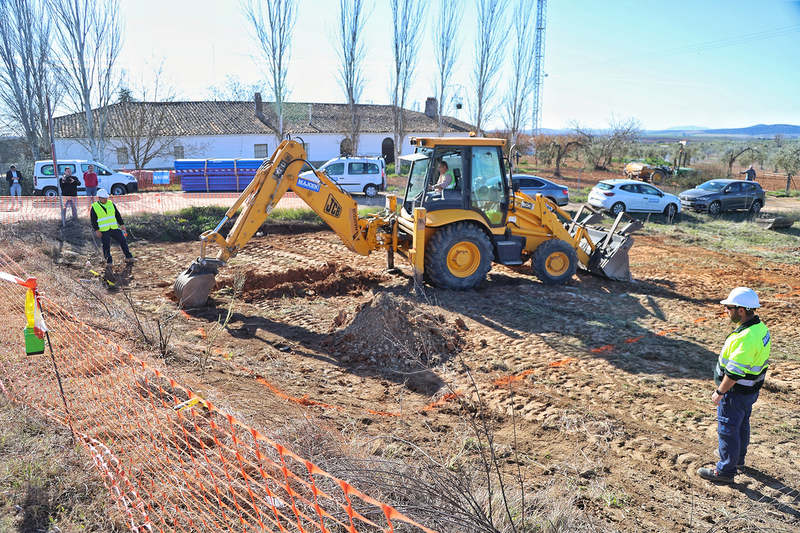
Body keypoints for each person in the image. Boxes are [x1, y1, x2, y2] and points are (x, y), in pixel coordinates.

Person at [697, 287, 770, 484]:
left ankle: (725, 471)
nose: (726, 311)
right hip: (750, 391)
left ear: (741, 310)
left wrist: (720, 391)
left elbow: (735, 372)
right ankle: (738, 460)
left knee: (728, 430)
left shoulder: (746, 338)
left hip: (735, 392)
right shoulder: (760, 328)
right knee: (741, 425)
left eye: (729, 307)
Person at [90, 188, 136, 264]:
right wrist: (97, 230)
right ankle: (109, 261)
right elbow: (93, 220)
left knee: (123, 240)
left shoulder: (110, 203)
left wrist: (122, 224)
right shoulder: (95, 207)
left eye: (106, 198)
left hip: (114, 228)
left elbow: (117, 215)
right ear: (99, 198)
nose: (105, 199)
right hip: (104, 230)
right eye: (103, 198)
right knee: (106, 246)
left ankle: (128, 256)